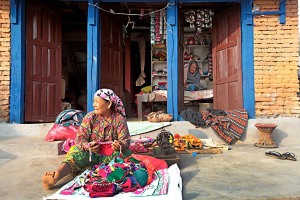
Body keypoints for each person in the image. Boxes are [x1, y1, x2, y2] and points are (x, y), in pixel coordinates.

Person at [42, 88, 131, 190]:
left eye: (97, 101)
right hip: (91, 154)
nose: (94, 104)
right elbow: (80, 139)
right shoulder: (90, 117)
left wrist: (120, 145)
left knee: (126, 155)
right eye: (94, 101)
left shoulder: (119, 119)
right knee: (76, 151)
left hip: (110, 155)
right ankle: (57, 174)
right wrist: (88, 146)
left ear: (109, 104)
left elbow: (125, 140)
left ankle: (107, 174)